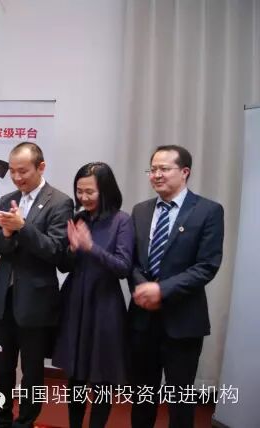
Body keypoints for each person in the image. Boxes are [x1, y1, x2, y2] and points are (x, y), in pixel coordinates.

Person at [129, 145, 224, 427]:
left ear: (184, 172)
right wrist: (143, 287)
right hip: (143, 319)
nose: (156, 175)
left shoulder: (207, 211)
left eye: (164, 169)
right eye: (152, 169)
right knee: (142, 396)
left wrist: (162, 290)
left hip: (183, 320)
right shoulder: (140, 211)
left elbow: (207, 266)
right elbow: (132, 261)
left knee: (180, 400)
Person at [0, 142, 73, 427]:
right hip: (3, 299)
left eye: (23, 171)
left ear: (41, 167)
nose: (16, 177)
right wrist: (6, 234)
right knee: (0, 370)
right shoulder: (6, 199)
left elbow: (56, 251)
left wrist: (23, 228)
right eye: (12, 171)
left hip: (36, 302)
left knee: (32, 373)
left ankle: (25, 422)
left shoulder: (59, 202)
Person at [52, 162, 134, 428]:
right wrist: (72, 250)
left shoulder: (122, 220)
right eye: (79, 191)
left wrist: (90, 247)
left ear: (106, 191)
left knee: (102, 378)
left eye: (90, 192)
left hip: (105, 306)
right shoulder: (79, 219)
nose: (83, 197)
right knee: (75, 375)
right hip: (75, 302)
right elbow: (64, 266)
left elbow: (123, 267)